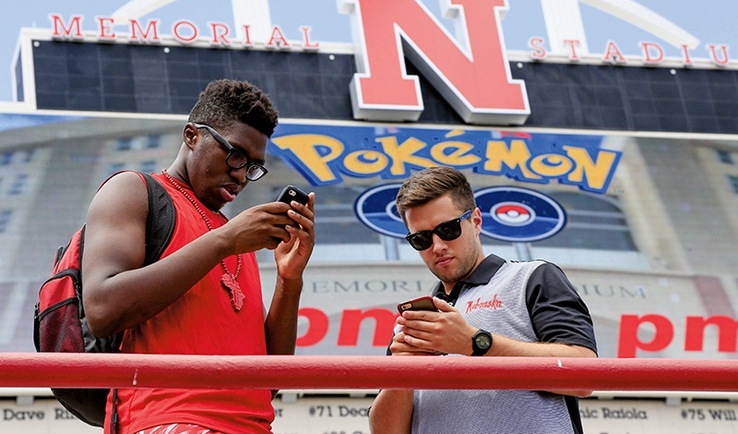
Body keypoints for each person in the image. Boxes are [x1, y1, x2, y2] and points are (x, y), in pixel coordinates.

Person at [81, 79, 315, 434]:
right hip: (169, 419)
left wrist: (289, 279)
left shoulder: (234, 236)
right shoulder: (134, 189)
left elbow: (271, 379)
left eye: (253, 166)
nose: (241, 175)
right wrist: (224, 241)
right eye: (234, 154)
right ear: (192, 136)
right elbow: (101, 309)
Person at [369, 166, 597, 434]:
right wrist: (402, 372)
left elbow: (585, 375)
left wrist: (475, 343)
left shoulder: (530, 277)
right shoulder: (412, 323)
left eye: (448, 229)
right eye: (421, 239)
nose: (438, 246)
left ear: (476, 221)